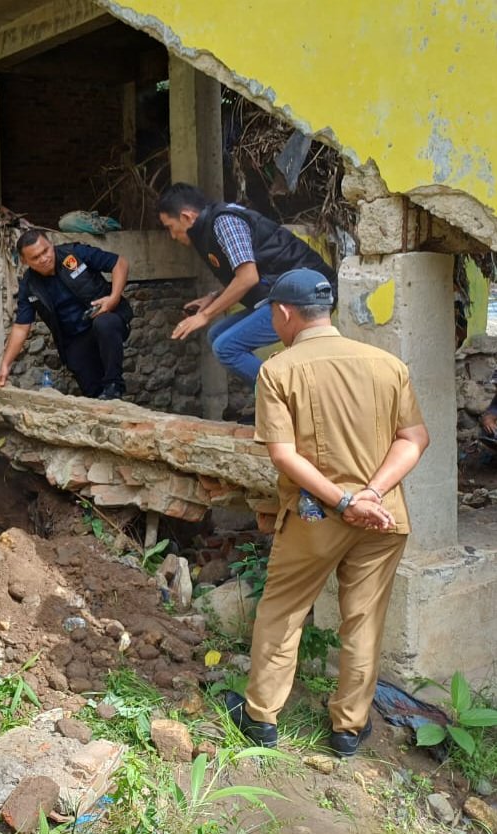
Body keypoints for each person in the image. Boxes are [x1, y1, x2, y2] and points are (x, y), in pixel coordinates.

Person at [225, 268, 429, 758]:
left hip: (318, 518)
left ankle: (260, 718)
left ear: (283, 312)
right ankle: (347, 729)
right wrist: (371, 495)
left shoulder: (279, 369)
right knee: (363, 621)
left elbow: (283, 455)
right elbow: (414, 438)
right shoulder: (387, 364)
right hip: (383, 518)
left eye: (272, 313)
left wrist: (343, 501)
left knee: (283, 610)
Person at [158, 183, 338, 388]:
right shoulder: (210, 227)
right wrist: (213, 298)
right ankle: (273, 398)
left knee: (227, 347)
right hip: (281, 292)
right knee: (216, 335)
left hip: (307, 296)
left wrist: (205, 315)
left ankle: (284, 399)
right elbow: (251, 272)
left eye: (170, 227)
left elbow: (247, 278)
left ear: (186, 217)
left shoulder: (224, 222)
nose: (172, 236)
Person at [0, 229, 132, 400]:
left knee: (104, 324)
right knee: (93, 393)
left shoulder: (74, 254)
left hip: (104, 318)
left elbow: (120, 263)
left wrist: (114, 298)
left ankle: (114, 384)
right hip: (73, 338)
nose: (44, 258)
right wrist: (5, 365)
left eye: (46, 251)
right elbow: (21, 327)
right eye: (36, 257)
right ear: (24, 261)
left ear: (51, 244)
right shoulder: (29, 285)